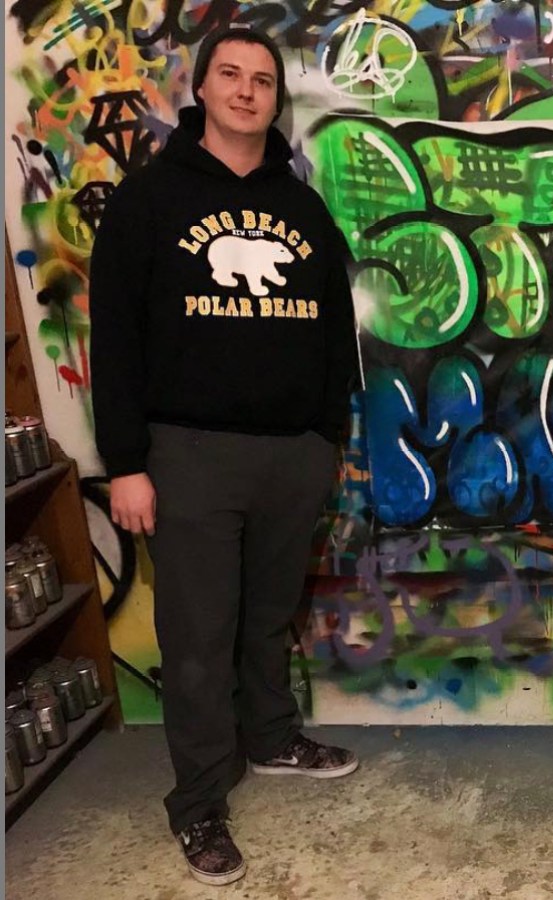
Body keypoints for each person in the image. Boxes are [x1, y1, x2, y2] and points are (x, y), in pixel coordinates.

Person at [90, 24, 360, 884]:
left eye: (263, 80)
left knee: (267, 617)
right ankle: (199, 802)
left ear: (276, 100)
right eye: (230, 76)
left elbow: (331, 335)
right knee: (198, 637)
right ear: (201, 89)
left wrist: (329, 441)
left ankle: (272, 738)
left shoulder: (303, 207)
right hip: (188, 454)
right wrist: (126, 462)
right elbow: (116, 342)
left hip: (292, 456)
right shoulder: (147, 202)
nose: (247, 91)